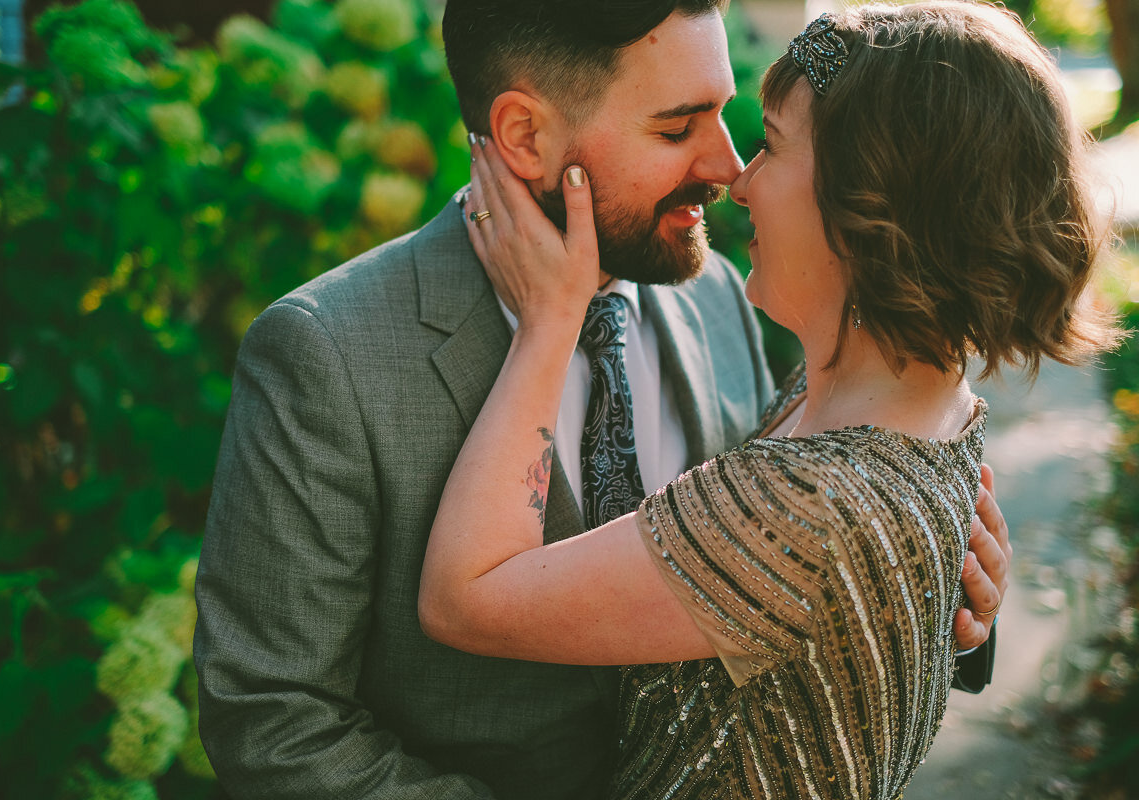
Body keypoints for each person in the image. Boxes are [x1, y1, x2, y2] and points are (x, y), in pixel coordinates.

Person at [193, 2, 1010, 798]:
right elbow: (273, 720)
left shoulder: (718, 295)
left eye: (724, 114)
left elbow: (801, 552)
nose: (728, 167)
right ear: (526, 136)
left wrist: (923, 595)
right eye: (675, 127)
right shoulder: (327, 351)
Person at [418, 2, 1120, 799]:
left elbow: (465, 598)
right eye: (682, 126)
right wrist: (914, 621)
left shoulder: (814, 498)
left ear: (866, 211)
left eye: (774, 145)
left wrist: (549, 323)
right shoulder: (909, 404)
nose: (738, 178)